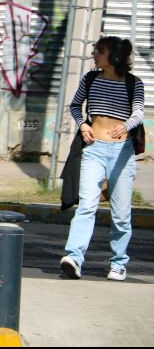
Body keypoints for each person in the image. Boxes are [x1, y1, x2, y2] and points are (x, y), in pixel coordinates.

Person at [60, 36, 144, 282]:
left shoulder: (134, 83)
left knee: (121, 214)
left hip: (122, 152)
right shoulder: (90, 79)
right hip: (93, 149)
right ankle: (74, 258)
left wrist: (126, 126)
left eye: (100, 51)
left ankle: (118, 263)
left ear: (115, 56)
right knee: (87, 206)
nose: (95, 55)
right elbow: (76, 106)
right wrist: (83, 124)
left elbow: (139, 111)